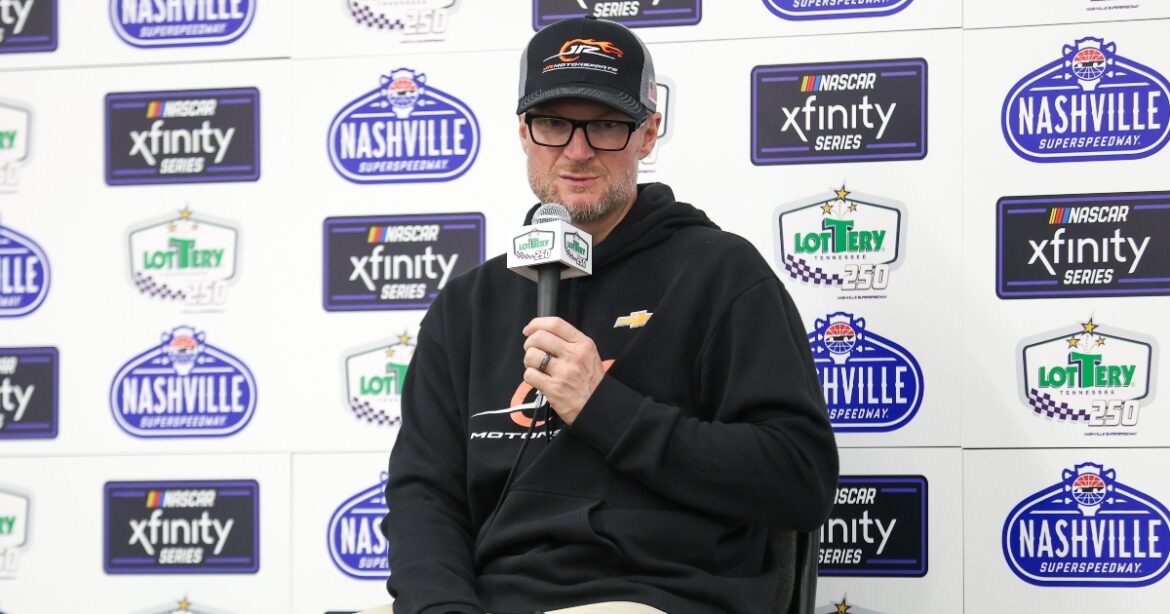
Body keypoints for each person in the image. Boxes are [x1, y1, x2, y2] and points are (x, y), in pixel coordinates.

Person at [382, 16, 838, 614]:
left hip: (650, 596)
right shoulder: (468, 304)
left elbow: (800, 480)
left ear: (648, 133)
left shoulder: (720, 273)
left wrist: (603, 407)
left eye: (606, 125)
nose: (577, 151)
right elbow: (424, 497)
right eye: (553, 124)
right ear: (523, 131)